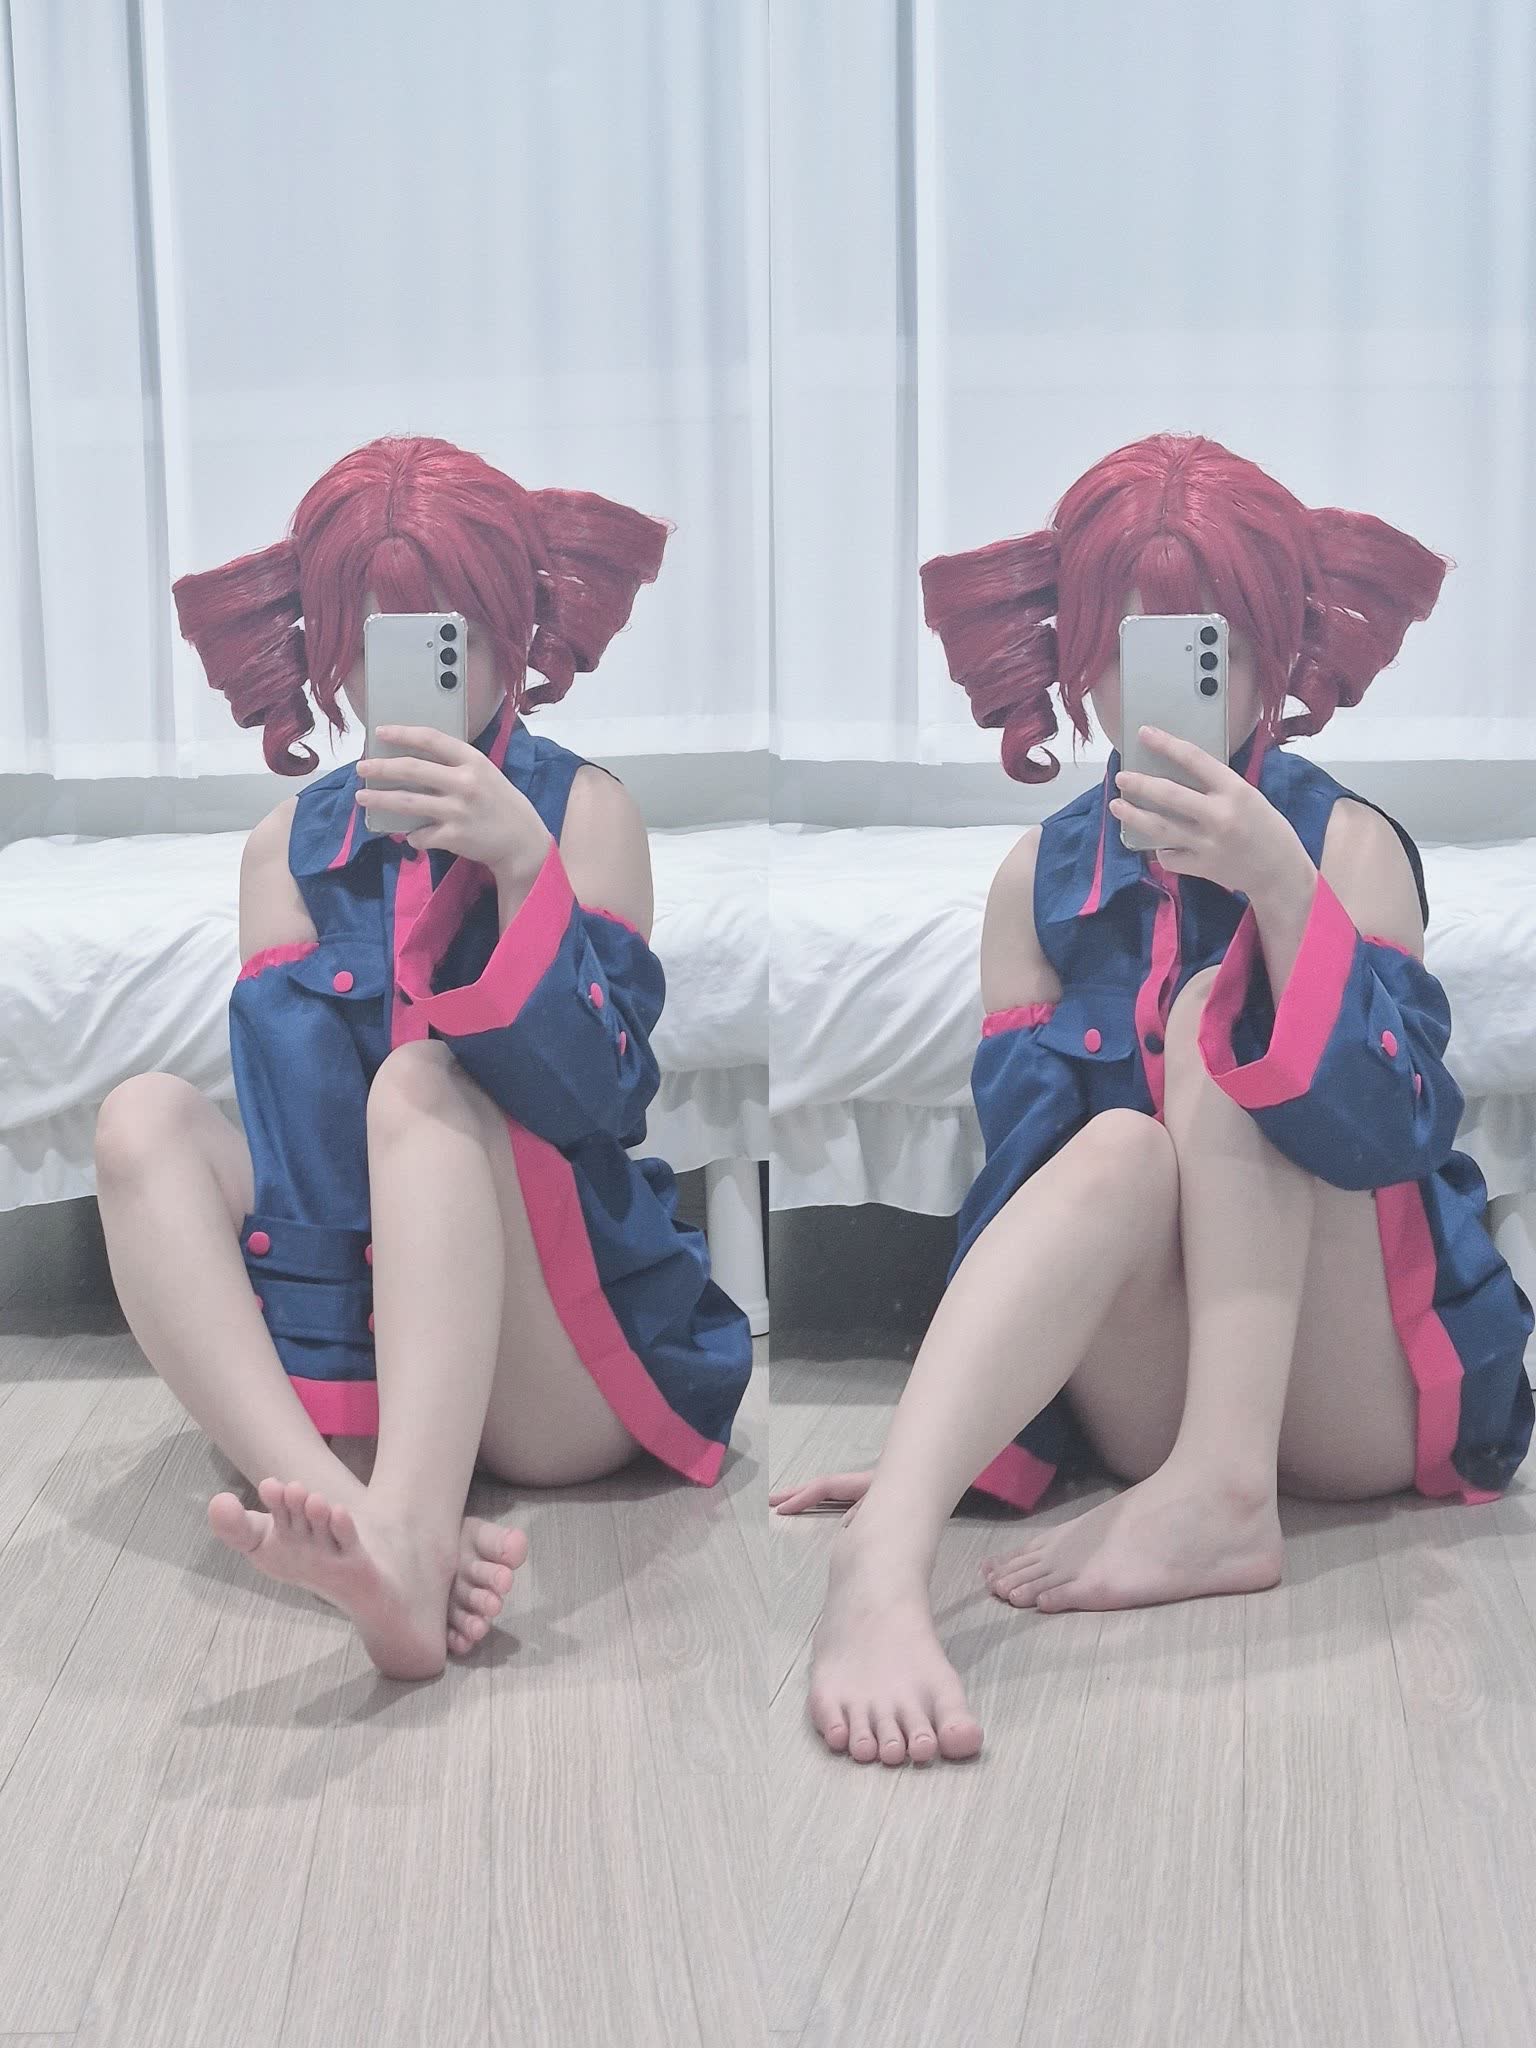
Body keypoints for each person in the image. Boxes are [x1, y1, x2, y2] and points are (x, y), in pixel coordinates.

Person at [771, 433, 1534, 1766]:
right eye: (1137, 646)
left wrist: (1284, 893)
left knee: (1215, 1022)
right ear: (1082, 659)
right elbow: (1027, 1187)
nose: (1177, 684)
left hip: (1364, 1377)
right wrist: (953, 1447)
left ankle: (1227, 1494)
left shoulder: (1349, 844)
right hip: (1161, 1388)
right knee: (1114, 1142)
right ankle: (882, 1561)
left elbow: (1399, 1138)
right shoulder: (1037, 882)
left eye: (1212, 644)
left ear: (1274, 652)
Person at [95, 435, 752, 1680]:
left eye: (447, 634)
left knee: (419, 1081)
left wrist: (520, 869)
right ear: (330, 654)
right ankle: (381, 1530)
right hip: (359, 1374)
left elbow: (602, 1103)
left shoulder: (585, 813)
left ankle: (396, 1530)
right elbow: (297, 1151)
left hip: (556, 1355)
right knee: (141, 1118)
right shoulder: (285, 850)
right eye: (369, 640)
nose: (403, 672)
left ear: (510, 629)